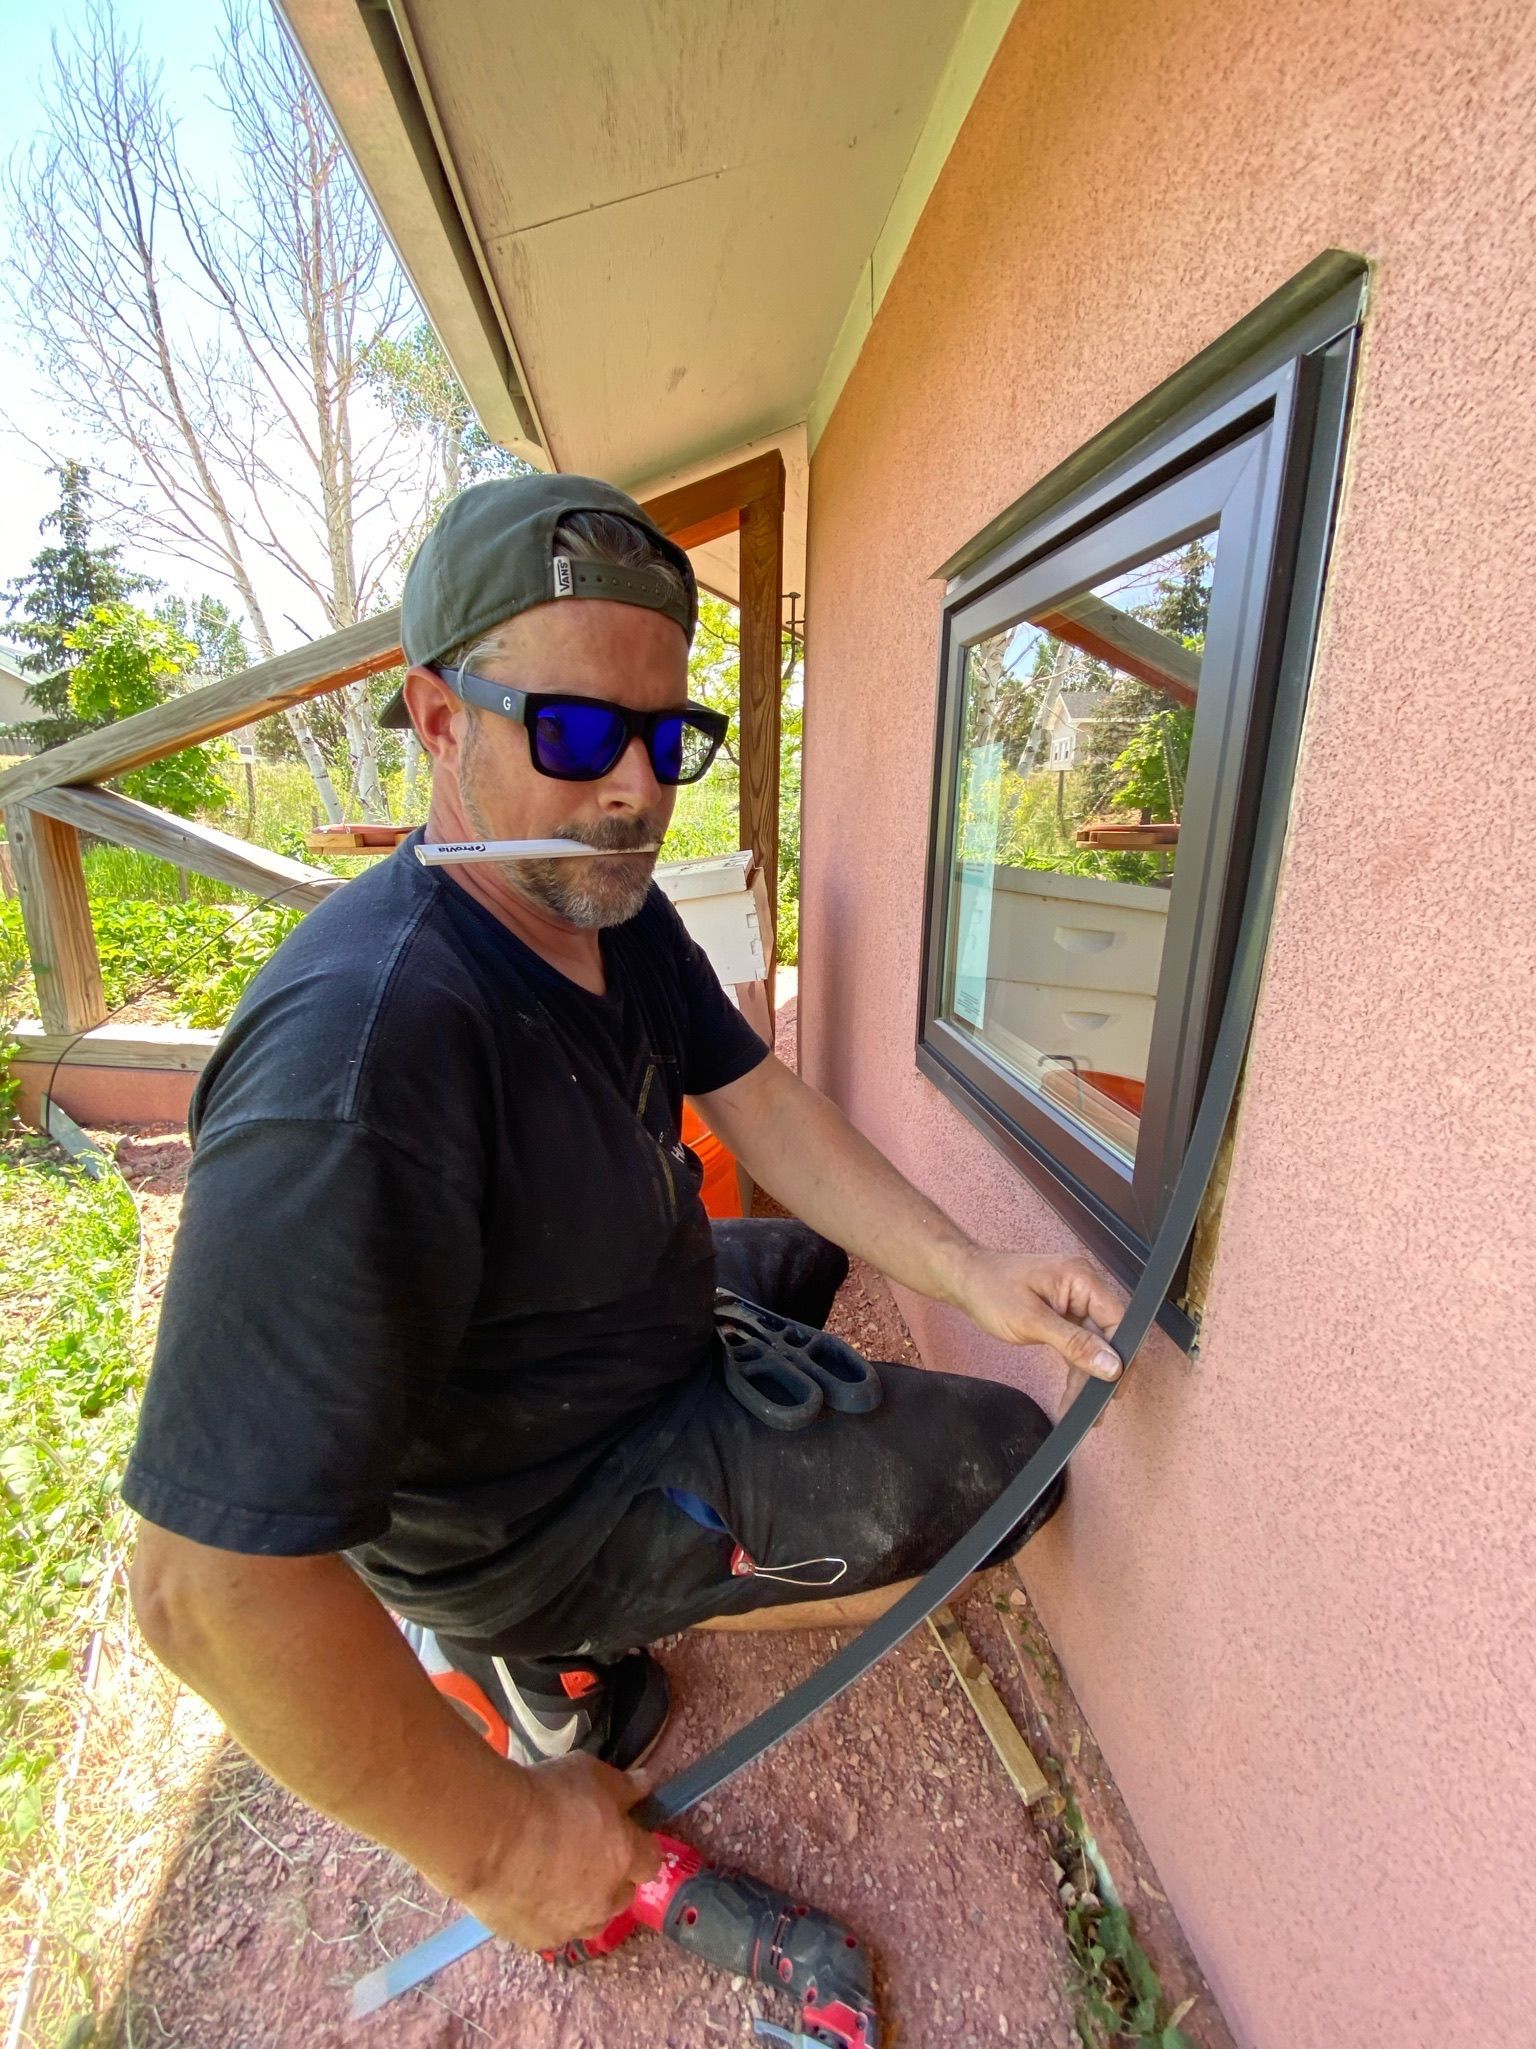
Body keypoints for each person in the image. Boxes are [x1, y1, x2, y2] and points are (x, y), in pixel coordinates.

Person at [124, 473, 1125, 1956]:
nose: (638, 790)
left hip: (587, 1334)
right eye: (582, 731)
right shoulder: (363, 1055)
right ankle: (533, 1635)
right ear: (439, 717)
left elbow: (756, 1096)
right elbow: (200, 1591)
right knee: (1011, 1469)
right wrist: (501, 1840)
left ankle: (582, 1588)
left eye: (669, 740)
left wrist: (975, 1271)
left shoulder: (597, 894)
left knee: (802, 1248)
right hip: (522, 1500)